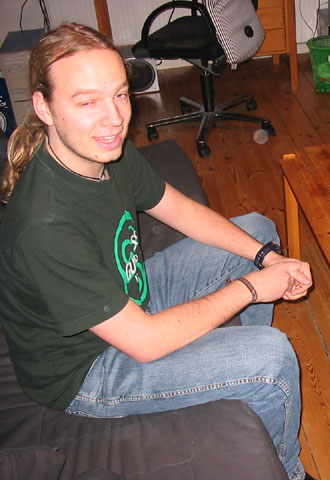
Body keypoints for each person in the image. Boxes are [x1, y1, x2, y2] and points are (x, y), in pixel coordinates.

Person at [0, 23, 314, 480]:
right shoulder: (45, 226)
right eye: (87, 102)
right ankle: (289, 470)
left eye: (119, 95)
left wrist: (266, 259)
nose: (113, 119)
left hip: (128, 296)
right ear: (44, 108)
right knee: (273, 357)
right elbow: (144, 342)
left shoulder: (104, 152)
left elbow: (180, 210)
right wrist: (251, 288)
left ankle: (235, 381)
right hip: (86, 370)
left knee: (257, 233)